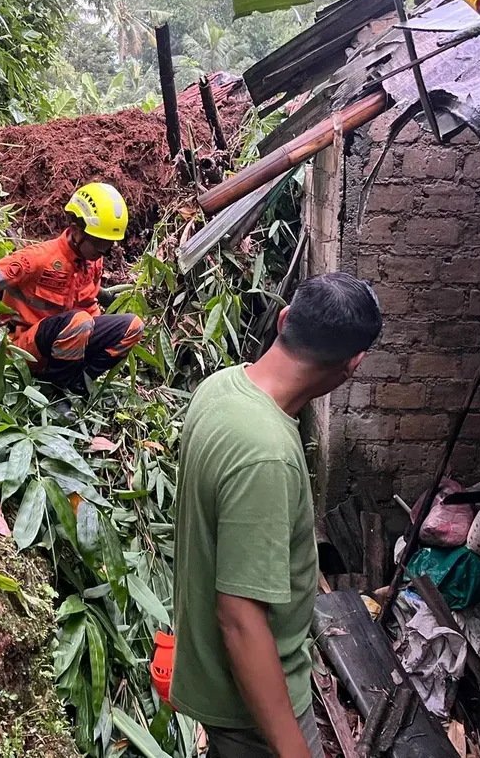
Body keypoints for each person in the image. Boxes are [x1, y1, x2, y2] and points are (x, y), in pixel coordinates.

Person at [171, 273, 382, 758]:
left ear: (285, 319)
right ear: (354, 364)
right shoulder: (266, 455)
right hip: (256, 708)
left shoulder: (220, 387)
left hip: (227, 694)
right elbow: (240, 620)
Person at [0, 182, 144, 394]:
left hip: (68, 343)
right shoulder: (37, 258)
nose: (102, 251)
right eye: (98, 243)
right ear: (77, 230)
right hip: (23, 346)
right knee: (79, 321)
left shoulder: (93, 262)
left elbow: (90, 306)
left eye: (107, 246)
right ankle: (56, 391)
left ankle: (79, 384)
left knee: (132, 326)